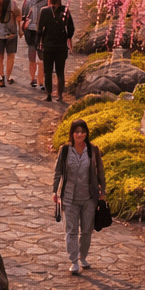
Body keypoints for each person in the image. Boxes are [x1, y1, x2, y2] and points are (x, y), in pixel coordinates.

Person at [53, 118, 107, 275]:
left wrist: (102, 191)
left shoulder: (93, 150)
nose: (80, 134)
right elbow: (58, 172)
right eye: (77, 132)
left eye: (83, 132)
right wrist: (54, 191)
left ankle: (83, 256)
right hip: (69, 198)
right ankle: (74, 260)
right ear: (72, 133)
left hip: (89, 198)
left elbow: (101, 173)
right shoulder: (65, 150)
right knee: (71, 230)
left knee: (86, 231)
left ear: (86, 133)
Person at [36, 0, 74, 102]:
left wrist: (38, 43)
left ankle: (48, 95)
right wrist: (67, 36)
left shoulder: (44, 11)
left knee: (47, 71)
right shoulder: (65, 10)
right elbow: (71, 28)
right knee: (60, 71)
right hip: (61, 45)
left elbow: (39, 29)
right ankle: (60, 95)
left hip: (48, 45)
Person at [21, 0, 47, 89]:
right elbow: (23, 15)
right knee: (37, 56)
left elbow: (23, 15)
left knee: (37, 56)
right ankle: (36, 79)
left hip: (37, 30)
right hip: (34, 30)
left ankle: (37, 79)